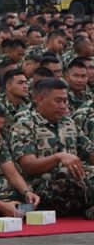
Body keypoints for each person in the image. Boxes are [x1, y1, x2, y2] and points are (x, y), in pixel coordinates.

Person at [9, 78, 94, 217]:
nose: (63, 106)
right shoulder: (24, 124)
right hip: (41, 186)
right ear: (40, 99)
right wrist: (58, 157)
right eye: (58, 101)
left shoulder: (68, 122)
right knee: (67, 176)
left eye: (65, 101)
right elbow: (28, 166)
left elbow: (89, 152)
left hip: (76, 182)